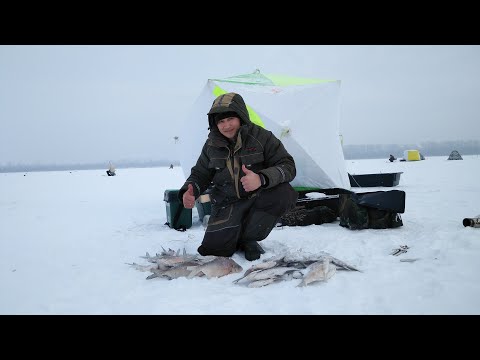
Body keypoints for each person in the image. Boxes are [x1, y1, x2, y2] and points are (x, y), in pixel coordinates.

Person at [178, 92, 298, 261]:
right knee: (213, 252)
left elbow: (288, 166)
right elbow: (200, 173)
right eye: (221, 121)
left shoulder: (262, 137)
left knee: (283, 192)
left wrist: (261, 178)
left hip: (256, 198)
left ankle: (249, 238)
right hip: (226, 205)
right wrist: (190, 190)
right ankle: (234, 236)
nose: (226, 126)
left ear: (241, 116)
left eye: (230, 119)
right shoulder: (211, 145)